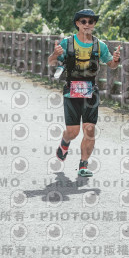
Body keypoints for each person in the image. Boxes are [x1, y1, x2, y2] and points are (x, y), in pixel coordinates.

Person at [47, 9, 121, 177]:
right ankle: (65, 142)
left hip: (91, 91)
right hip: (71, 91)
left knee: (89, 129)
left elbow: (111, 64)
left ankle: (83, 165)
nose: (87, 25)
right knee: (73, 132)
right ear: (77, 24)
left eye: (91, 22)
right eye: (83, 21)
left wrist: (116, 60)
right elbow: (51, 62)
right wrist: (55, 54)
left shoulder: (99, 45)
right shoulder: (67, 43)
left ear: (94, 24)